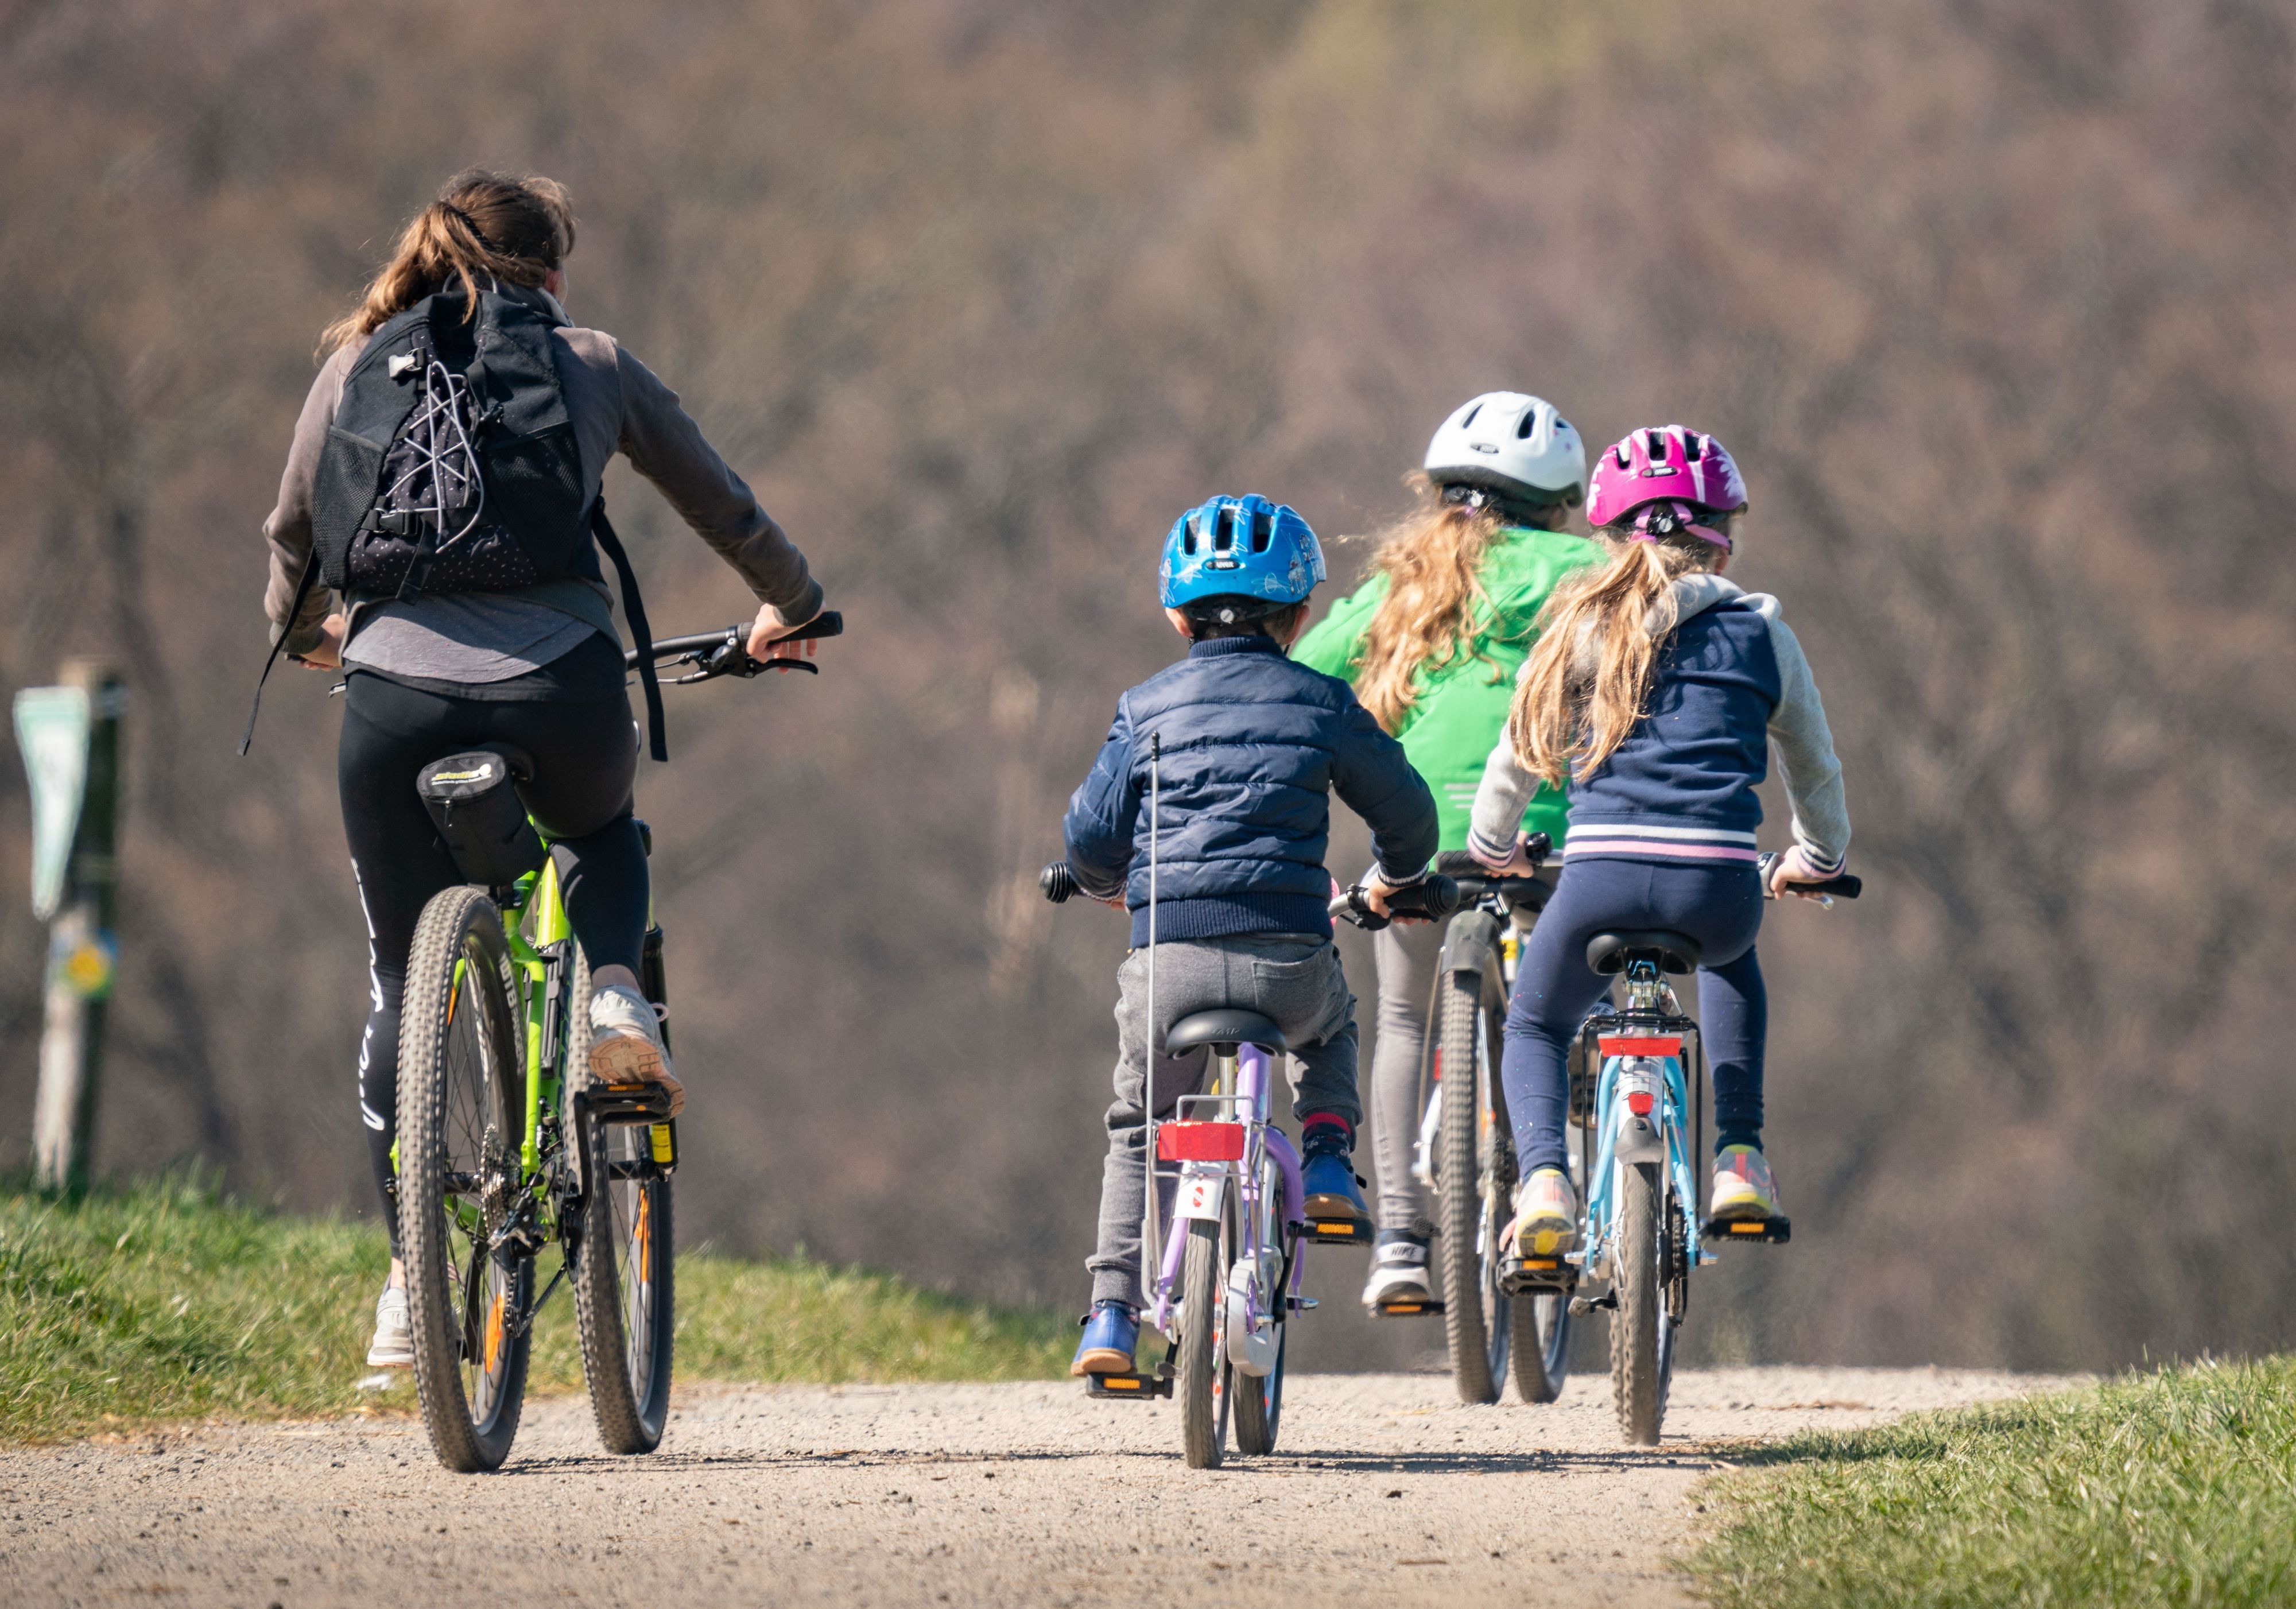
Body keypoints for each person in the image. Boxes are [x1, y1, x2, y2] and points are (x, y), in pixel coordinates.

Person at [257, 170, 825, 1371]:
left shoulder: (357, 365)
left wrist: (315, 638)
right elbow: (719, 503)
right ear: (551, 273)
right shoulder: (590, 359)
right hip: (562, 688)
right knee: (605, 835)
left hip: (392, 705)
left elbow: (292, 539)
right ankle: (614, 987)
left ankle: (414, 1284)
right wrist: (790, 604)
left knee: (398, 979)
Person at [1060, 495, 1440, 1375]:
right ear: (1301, 614)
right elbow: (1410, 817)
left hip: (1171, 966)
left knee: (1137, 1124)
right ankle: (1331, 1159)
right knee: (1335, 1025)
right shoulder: (1322, 701)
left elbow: (1088, 839)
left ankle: (1111, 1315)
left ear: (1173, 612)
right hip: (1286, 955)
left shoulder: (1143, 708)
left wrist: (1108, 887)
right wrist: (1396, 877)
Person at [1469, 425, 1848, 1255]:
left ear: (1606, 539)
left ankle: (1543, 1186)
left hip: (1598, 878)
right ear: (1724, 541)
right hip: (1714, 887)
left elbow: (1516, 758)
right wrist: (1816, 860)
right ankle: (1739, 1157)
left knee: (1534, 1027)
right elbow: (1814, 771)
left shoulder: (1579, 631)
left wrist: (1494, 846)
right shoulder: (1763, 635)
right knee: (1731, 959)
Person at [1293, 391, 1601, 1311]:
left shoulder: (1405, 581)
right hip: (1547, 834)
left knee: (1399, 1020)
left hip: (1419, 839)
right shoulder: (1593, 569)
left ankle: (1398, 1240)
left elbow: (1302, 674)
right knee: (1557, 1018)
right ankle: (1562, 1163)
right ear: (1560, 502)